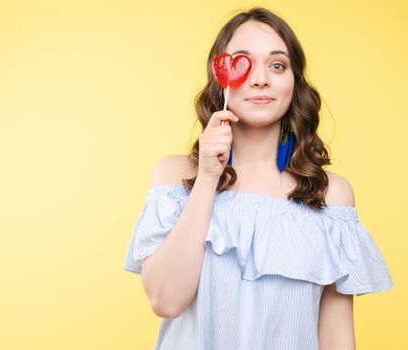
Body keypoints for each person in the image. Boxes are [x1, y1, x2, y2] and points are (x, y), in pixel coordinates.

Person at [122, 6, 394, 350]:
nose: (261, 78)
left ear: (294, 82)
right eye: (243, 62)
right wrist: (207, 179)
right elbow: (166, 300)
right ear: (221, 77)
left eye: (277, 65)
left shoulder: (331, 196)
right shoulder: (175, 177)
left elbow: (337, 337)